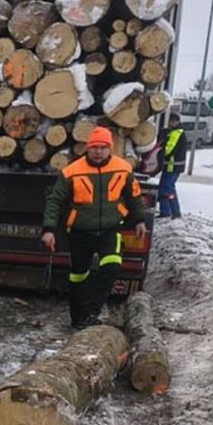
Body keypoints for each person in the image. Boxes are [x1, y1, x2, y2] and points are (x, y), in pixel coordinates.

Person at [41, 127, 148, 329]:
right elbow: (54, 200)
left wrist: (139, 220)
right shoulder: (72, 171)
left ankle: (91, 311)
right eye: (94, 147)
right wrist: (49, 229)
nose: (98, 151)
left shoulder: (123, 168)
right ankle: (77, 317)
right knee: (78, 274)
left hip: (110, 228)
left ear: (110, 148)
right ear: (87, 148)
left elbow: (133, 196)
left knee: (112, 266)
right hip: (80, 230)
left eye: (102, 147)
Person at [157, 113, 188, 219]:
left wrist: (157, 153)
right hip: (172, 166)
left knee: (168, 189)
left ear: (175, 121)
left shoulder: (176, 133)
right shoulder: (176, 131)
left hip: (172, 166)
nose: (169, 124)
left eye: (171, 122)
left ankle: (173, 211)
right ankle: (167, 211)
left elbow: (168, 149)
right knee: (166, 188)